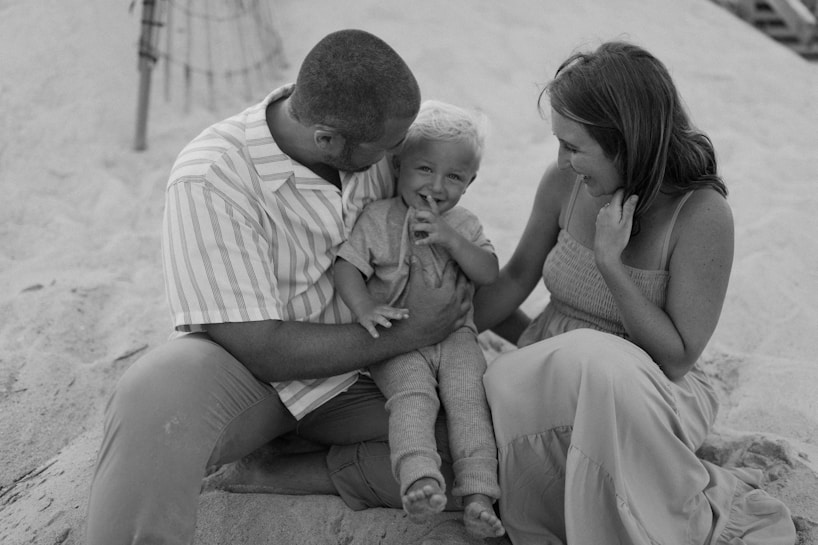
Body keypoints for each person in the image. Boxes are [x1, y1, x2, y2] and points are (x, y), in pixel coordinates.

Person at [85, 29, 473, 545]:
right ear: (328, 140)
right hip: (256, 375)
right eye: (390, 146)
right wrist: (412, 333)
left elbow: (454, 245)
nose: (399, 153)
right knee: (153, 395)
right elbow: (259, 347)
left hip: (370, 373)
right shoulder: (211, 176)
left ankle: (290, 471)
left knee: (480, 453)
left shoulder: (369, 134)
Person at [474, 41, 797, 545]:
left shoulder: (702, 215)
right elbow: (515, 280)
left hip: (649, 392)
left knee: (593, 363)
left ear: (628, 142)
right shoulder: (564, 184)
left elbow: (677, 358)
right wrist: (443, 327)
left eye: (574, 146)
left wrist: (612, 264)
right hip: (552, 370)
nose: (562, 159)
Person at [334, 100, 505, 539]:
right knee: (412, 400)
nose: (437, 185)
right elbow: (346, 267)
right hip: (397, 338)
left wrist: (450, 238)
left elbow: (488, 272)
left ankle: (479, 494)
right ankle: (419, 480)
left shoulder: (463, 223)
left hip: (457, 338)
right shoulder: (379, 218)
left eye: (454, 176)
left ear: (470, 182)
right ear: (398, 165)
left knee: (470, 403)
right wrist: (365, 309)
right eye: (424, 169)